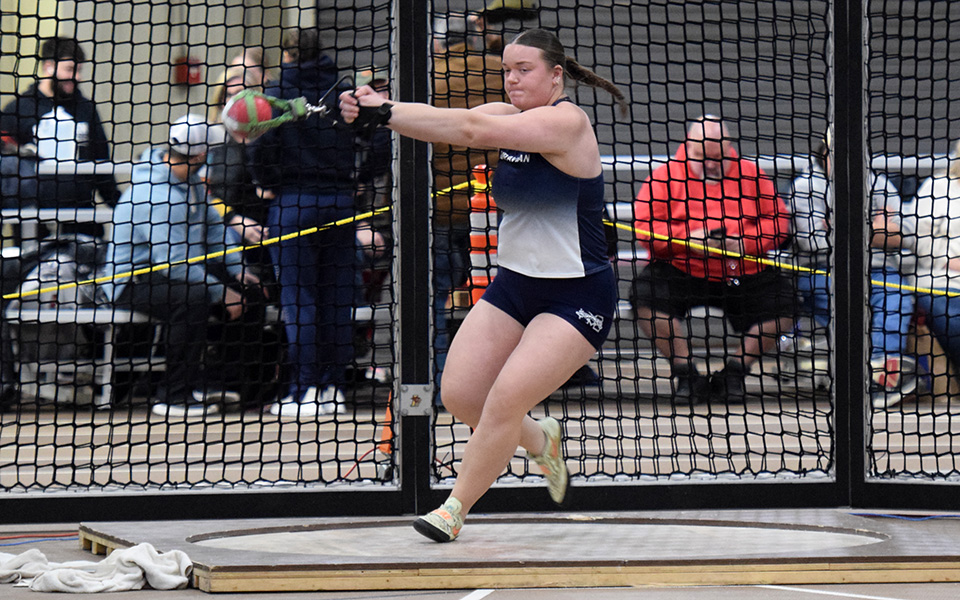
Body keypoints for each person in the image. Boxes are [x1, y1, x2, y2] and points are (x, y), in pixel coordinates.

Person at [341, 27, 628, 542]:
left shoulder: (567, 123)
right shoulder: (508, 116)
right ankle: (542, 441)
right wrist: (379, 108)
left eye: (525, 70)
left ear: (556, 75)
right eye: (507, 71)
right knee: (462, 396)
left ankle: (453, 509)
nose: (513, 79)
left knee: (503, 400)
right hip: (516, 287)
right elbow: (449, 124)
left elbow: (471, 130)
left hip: (577, 295)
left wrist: (383, 111)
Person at [98, 114, 264, 418]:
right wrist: (220, 291)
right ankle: (173, 396)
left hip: (176, 269)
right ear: (200, 155)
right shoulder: (156, 195)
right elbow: (172, 263)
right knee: (194, 298)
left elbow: (214, 230)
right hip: (134, 279)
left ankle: (218, 381)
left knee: (249, 289)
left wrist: (236, 269)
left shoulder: (191, 183)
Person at [631, 115, 794, 405]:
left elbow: (779, 221)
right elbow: (645, 229)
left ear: (729, 146)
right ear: (688, 146)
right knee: (645, 297)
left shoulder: (751, 174)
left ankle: (735, 372)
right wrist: (688, 240)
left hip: (742, 268)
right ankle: (686, 374)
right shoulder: (664, 177)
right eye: (702, 156)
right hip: (681, 266)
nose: (711, 164)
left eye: (718, 157)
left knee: (786, 303)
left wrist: (746, 243)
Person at [247, 27, 358, 417]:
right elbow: (371, 140)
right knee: (336, 298)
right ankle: (333, 389)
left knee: (300, 299)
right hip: (341, 203)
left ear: (288, 54)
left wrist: (268, 184)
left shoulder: (275, 93)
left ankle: (305, 389)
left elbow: (261, 144)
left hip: (295, 202)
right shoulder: (344, 89)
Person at [790, 134, 918, 408]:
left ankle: (878, 374)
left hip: (879, 270)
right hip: (824, 272)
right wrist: (874, 227)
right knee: (849, 305)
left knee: (896, 298)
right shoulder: (805, 187)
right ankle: (870, 374)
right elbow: (814, 241)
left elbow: (905, 235)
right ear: (823, 154)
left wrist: (842, 225)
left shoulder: (878, 183)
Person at [431, 12, 510, 407]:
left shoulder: (428, 79)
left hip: (439, 210)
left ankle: (444, 385)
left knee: (434, 301)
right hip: (496, 210)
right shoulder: (500, 73)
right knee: (501, 300)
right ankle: (498, 387)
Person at [0, 36, 120, 232]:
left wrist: (121, 205)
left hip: (81, 220)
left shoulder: (85, 109)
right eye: (70, 70)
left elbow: (101, 161)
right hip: (34, 225)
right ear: (49, 67)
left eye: (79, 70)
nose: (77, 77)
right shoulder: (18, 110)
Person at [908, 139, 960, 379]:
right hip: (939, 280)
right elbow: (917, 236)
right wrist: (946, 259)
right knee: (954, 322)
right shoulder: (938, 188)